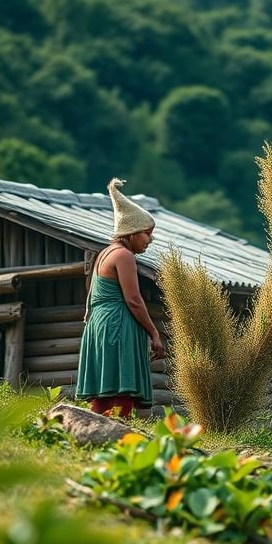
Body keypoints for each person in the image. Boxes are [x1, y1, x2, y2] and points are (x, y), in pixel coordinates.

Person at [76, 178, 166, 417]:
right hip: (117, 324)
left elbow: (91, 296)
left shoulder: (104, 253)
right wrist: (154, 333)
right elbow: (134, 299)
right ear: (133, 232)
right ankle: (116, 431)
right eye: (148, 234)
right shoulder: (124, 255)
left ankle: (95, 428)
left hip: (100, 323)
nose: (150, 240)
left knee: (106, 384)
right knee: (120, 382)